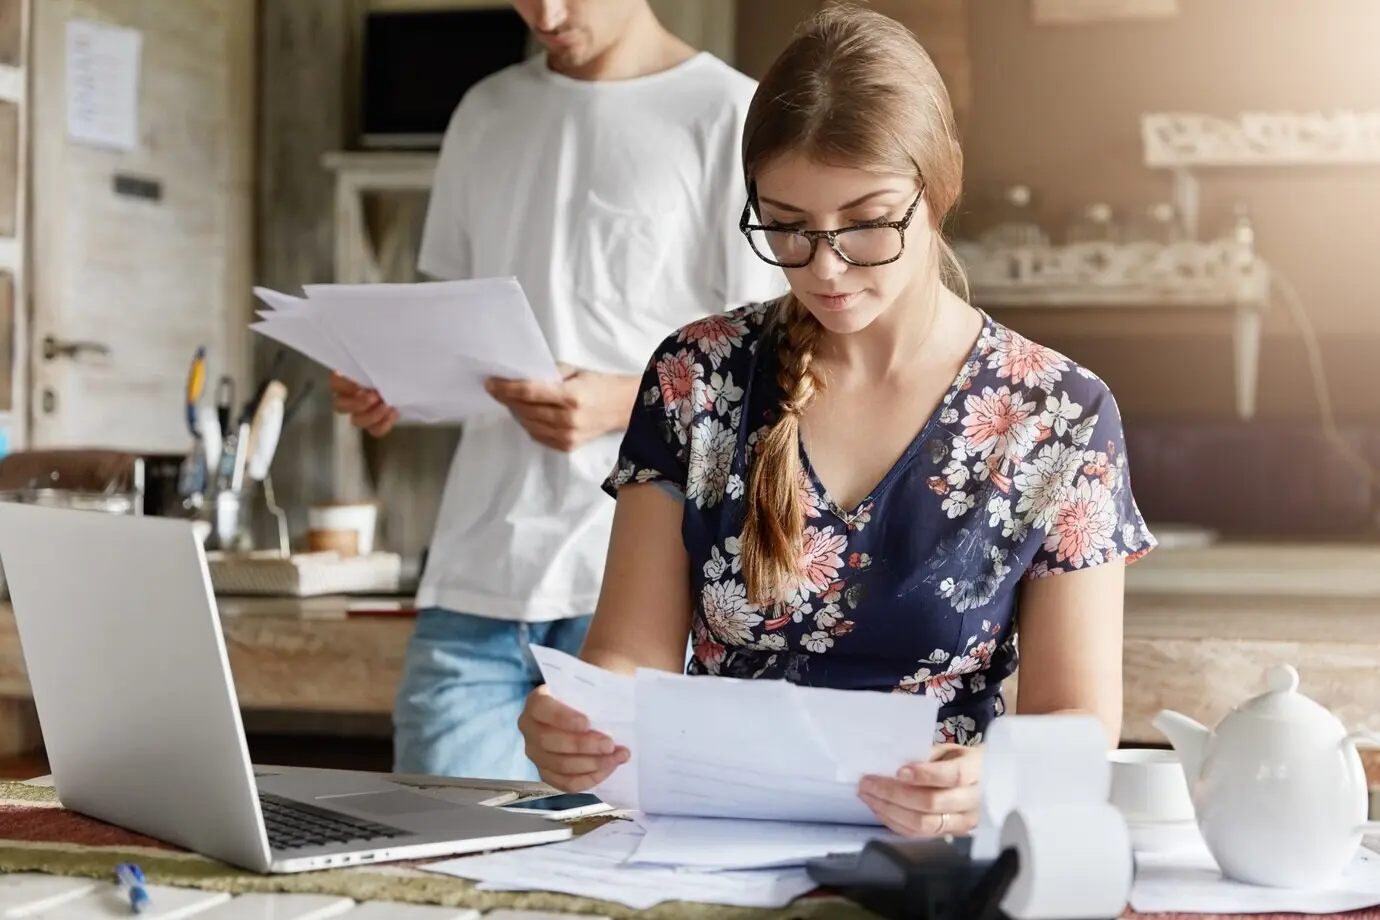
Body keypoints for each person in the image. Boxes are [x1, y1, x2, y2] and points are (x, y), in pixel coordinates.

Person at [517, 3, 1157, 838]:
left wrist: (998, 774)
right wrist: (577, 721)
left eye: (865, 223)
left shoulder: (1059, 414)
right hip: (705, 845)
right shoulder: (696, 376)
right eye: (785, 227)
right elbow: (626, 657)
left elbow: (1077, 720)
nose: (823, 267)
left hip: (932, 855)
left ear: (938, 191)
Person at [330, 0, 785, 780]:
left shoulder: (729, 113)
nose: (546, 13)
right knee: (430, 873)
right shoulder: (486, 112)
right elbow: (463, 330)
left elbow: (775, 362)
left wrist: (621, 402)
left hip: (642, 581)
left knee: (610, 876)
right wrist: (401, 382)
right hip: (477, 571)